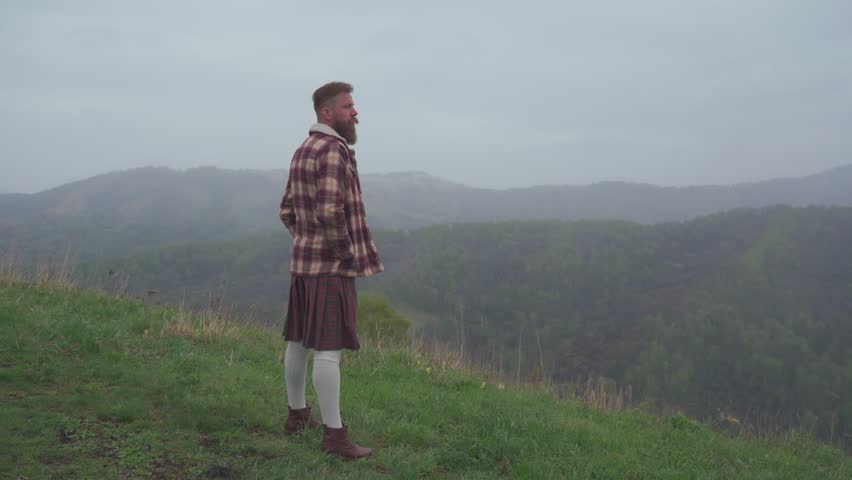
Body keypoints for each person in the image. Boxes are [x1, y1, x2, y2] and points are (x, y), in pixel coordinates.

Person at [278, 81, 384, 461]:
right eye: (347, 107)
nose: (355, 113)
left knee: (297, 343)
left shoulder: (304, 149)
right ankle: (335, 437)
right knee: (328, 350)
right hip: (328, 267)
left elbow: (287, 211)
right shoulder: (334, 151)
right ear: (327, 112)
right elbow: (329, 211)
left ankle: (297, 416)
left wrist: (306, 239)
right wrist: (344, 253)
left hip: (303, 264)